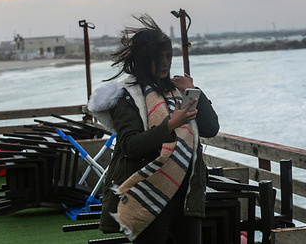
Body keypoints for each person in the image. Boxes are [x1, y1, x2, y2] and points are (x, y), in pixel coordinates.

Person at [88, 14, 219, 243]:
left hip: (186, 193)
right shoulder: (127, 96)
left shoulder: (178, 92)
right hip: (147, 193)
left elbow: (210, 128)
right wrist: (171, 124)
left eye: (169, 56)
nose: (166, 63)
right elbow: (130, 146)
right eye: (159, 58)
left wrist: (194, 90)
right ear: (143, 59)